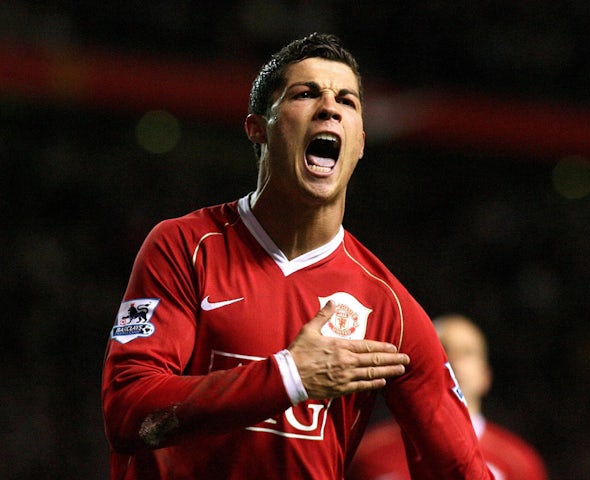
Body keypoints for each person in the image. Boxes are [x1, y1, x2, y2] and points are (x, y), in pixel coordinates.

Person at [101, 33, 493, 479]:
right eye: (305, 94)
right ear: (256, 127)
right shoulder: (184, 247)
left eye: (346, 101)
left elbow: (462, 468)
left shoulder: (390, 310)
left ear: (360, 142)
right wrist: (289, 377)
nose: (329, 107)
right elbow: (128, 412)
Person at [347, 313, 548, 480]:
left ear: (485, 376)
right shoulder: (366, 454)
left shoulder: (518, 463)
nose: (453, 359)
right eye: (442, 349)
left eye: (467, 352)